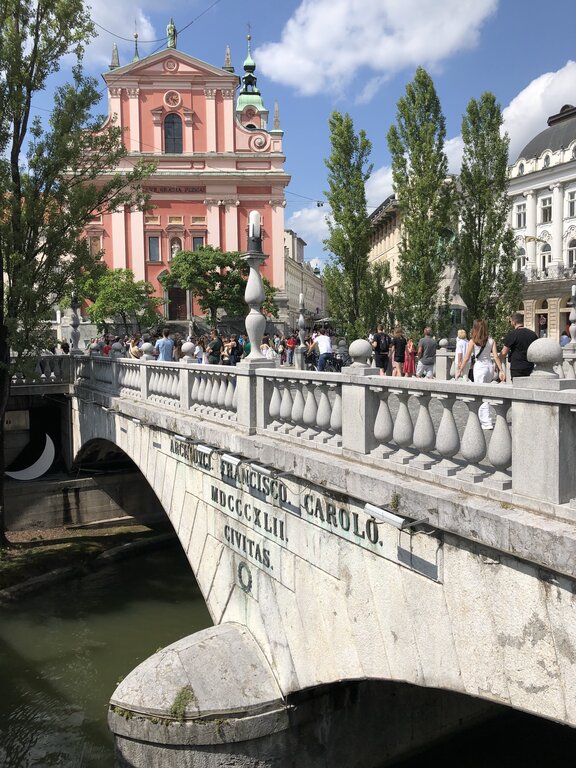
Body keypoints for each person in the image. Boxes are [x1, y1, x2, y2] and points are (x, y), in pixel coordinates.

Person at [457, 319, 506, 430]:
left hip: (480, 368)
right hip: (489, 368)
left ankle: (486, 421)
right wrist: (501, 370)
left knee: (481, 394)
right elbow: (496, 356)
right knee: (486, 394)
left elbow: (466, 357)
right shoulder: (491, 340)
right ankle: (484, 418)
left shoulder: (473, 341)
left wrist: (460, 369)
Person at [499, 312, 538, 381]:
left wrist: (497, 365)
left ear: (514, 322)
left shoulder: (512, 334)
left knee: (517, 389)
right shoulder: (532, 334)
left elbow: (504, 352)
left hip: (516, 367)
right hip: (529, 366)